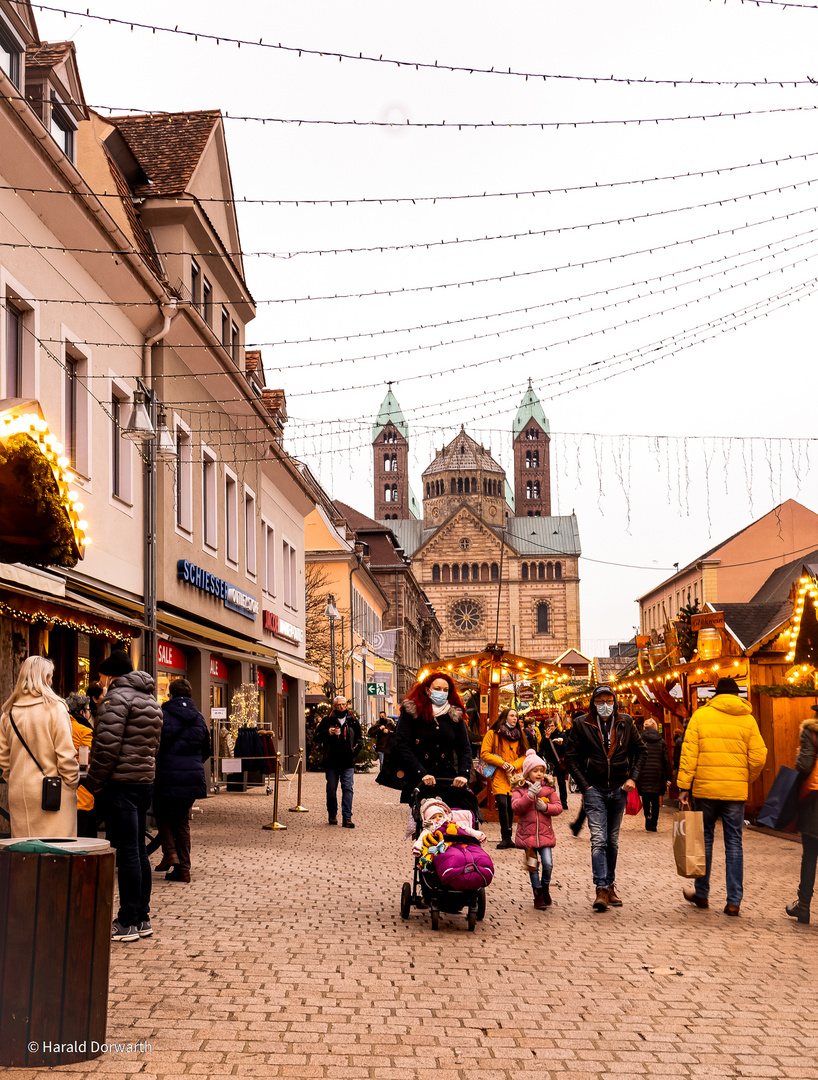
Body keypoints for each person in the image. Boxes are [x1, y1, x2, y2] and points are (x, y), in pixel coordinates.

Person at [84, 649, 162, 943]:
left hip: (122, 784)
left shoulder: (116, 699)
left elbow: (106, 748)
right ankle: (141, 916)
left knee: (128, 852)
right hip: (144, 783)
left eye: (102, 675)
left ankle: (127, 920)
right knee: (139, 850)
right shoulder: (151, 700)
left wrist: (92, 783)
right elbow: (154, 746)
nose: (101, 681)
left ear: (111, 674)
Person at [677, 677, 767, 917]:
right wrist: (745, 778)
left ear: (715, 694)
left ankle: (702, 894)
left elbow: (689, 753)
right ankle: (734, 901)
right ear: (737, 695)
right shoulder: (748, 720)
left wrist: (684, 785)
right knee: (734, 844)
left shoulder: (701, 716)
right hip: (735, 793)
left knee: (704, 841)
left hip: (706, 790)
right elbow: (759, 757)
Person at [565, 684, 646, 912]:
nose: (604, 706)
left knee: (613, 840)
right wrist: (585, 786)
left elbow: (641, 751)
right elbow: (570, 757)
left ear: (615, 702)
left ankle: (610, 885)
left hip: (619, 788)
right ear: (593, 703)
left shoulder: (625, 722)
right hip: (595, 789)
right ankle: (601, 887)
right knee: (599, 839)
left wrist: (634, 779)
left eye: (608, 701)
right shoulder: (582, 724)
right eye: (599, 702)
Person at [0, 656, 78, 838]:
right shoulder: (55, 708)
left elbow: (4, 759)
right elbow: (66, 755)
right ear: (44, 678)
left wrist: (15, 781)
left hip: (20, 792)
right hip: (53, 792)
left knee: (25, 856)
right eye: (50, 676)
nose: (51, 681)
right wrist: (71, 784)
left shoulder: (9, 712)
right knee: (56, 854)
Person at [153, 678, 211, 882]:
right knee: (182, 820)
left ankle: (170, 853)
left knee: (161, 812)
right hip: (192, 776)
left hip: (167, 774)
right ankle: (184, 869)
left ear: (170, 695)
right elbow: (207, 750)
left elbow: (155, 746)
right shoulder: (199, 718)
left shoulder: (163, 715)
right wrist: (193, 762)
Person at [393, 672, 472, 803]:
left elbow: (464, 747)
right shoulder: (412, 712)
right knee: (422, 817)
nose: (442, 693)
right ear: (427, 691)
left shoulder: (454, 714)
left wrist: (464, 774)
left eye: (445, 690)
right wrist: (421, 773)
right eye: (437, 689)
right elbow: (402, 745)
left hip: (446, 777)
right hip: (419, 776)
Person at [512, 749, 562, 910]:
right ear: (527, 773)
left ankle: (545, 886)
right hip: (528, 837)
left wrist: (546, 807)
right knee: (533, 866)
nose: (539, 774)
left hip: (545, 835)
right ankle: (537, 893)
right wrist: (529, 796)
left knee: (548, 863)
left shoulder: (548, 788)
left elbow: (558, 807)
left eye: (542, 770)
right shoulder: (519, 789)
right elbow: (516, 807)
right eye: (535, 771)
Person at [786, 704, 818, 925]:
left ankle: (804, 906)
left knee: (810, 855)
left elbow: (804, 764)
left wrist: (799, 757)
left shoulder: (811, 733)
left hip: (815, 801)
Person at [480, 707, 529, 849]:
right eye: (512, 715)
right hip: (500, 774)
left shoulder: (520, 734)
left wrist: (514, 765)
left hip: (515, 775)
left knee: (510, 805)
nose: (515, 718)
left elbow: (524, 754)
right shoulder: (493, 733)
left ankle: (509, 838)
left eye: (516, 716)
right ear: (505, 717)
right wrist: (503, 763)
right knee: (502, 803)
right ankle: (505, 837)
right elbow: (484, 753)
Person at [315, 695, 362, 827]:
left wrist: (354, 751)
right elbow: (316, 737)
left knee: (347, 788)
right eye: (339, 705)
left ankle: (347, 817)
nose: (341, 707)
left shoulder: (352, 721)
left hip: (347, 762)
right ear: (334, 706)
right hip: (331, 761)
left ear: (346, 706)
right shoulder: (327, 720)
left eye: (344, 704)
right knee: (331, 789)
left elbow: (359, 740)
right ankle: (332, 814)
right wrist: (327, 733)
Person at [66, 691, 96, 838]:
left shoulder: (63, 725)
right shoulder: (84, 730)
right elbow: (92, 758)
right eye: (88, 709)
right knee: (85, 834)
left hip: (63, 788)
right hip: (82, 789)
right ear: (82, 711)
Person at [411, 797, 486, 856]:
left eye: (440, 816)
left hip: (458, 842)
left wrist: (478, 835)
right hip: (441, 847)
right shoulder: (430, 828)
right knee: (453, 855)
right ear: (427, 820)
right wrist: (417, 848)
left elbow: (466, 829)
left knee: (473, 852)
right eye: (433, 817)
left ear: (444, 816)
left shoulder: (450, 823)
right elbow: (421, 839)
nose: (437, 819)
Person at [638, 718, 673, 831]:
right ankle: (654, 824)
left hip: (644, 773)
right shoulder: (661, 741)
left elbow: (635, 757)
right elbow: (666, 761)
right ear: (655, 728)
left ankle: (647, 816)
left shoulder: (640, 740)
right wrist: (668, 778)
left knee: (646, 798)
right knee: (655, 800)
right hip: (657, 774)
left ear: (644, 728)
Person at [541, 718, 570, 810]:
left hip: (559, 761)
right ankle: (550, 800)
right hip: (549, 762)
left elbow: (567, 747)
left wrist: (561, 744)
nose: (551, 728)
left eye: (552, 726)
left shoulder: (562, 734)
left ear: (555, 726)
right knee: (549, 782)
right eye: (548, 726)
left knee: (561, 782)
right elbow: (541, 748)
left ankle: (563, 802)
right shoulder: (545, 735)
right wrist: (547, 737)